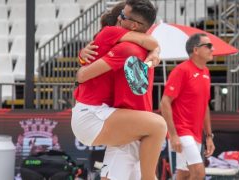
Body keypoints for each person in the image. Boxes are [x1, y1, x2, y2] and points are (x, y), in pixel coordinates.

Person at [71, 1, 167, 180]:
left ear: (134, 25)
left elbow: (152, 42)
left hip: (117, 118)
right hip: (96, 114)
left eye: (123, 15)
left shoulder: (132, 45)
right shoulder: (122, 42)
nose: (118, 17)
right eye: (120, 14)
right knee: (159, 126)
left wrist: (155, 50)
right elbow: (82, 76)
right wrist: (156, 49)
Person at [160, 33, 215, 180]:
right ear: (196, 50)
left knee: (184, 174)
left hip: (196, 133)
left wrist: (209, 136)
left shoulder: (206, 72)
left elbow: (205, 106)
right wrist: (173, 135)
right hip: (182, 131)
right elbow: (165, 102)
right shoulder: (181, 70)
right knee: (198, 173)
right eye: (208, 46)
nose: (212, 49)